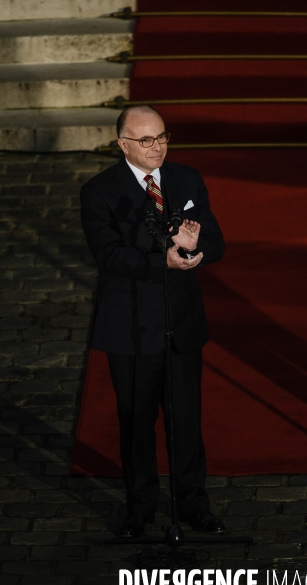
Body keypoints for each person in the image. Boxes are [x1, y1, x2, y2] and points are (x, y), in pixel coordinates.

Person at [80, 105, 225, 537]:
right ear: (122, 144)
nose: (157, 146)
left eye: (161, 137)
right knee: (137, 423)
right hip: (131, 327)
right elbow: (107, 255)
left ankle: (194, 505)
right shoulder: (100, 191)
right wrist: (160, 260)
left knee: (186, 422)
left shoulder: (186, 179)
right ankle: (140, 508)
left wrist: (197, 252)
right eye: (146, 140)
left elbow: (215, 239)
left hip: (180, 323)